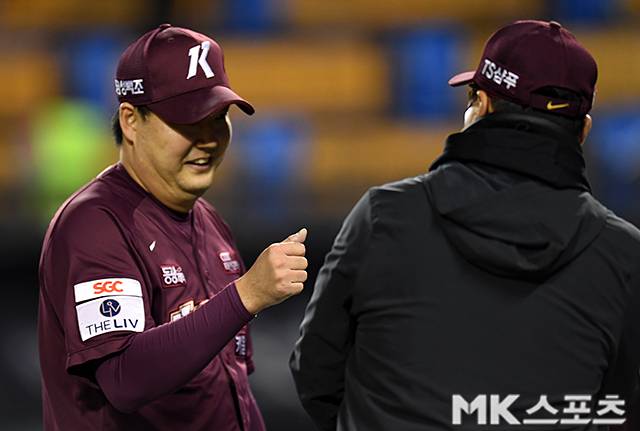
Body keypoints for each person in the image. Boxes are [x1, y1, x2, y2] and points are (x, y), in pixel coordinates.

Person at [290, 20, 640, 430]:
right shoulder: (624, 254)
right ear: (583, 131)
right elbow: (622, 408)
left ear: (482, 104)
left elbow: (316, 373)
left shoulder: (385, 214)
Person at [38, 24, 309, 431]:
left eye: (218, 117)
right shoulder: (95, 223)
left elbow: (229, 388)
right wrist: (246, 296)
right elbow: (124, 378)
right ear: (131, 121)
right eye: (188, 121)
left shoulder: (209, 222)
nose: (208, 139)